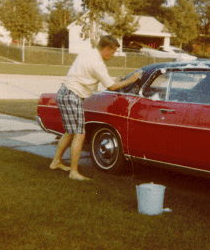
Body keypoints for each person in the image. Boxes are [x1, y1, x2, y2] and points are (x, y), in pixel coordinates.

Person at [49, 35, 143, 180]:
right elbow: (111, 86)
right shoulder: (97, 63)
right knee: (80, 134)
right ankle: (73, 172)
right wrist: (131, 79)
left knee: (70, 132)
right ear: (106, 49)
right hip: (72, 95)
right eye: (112, 52)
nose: (112, 56)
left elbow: (93, 77)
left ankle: (56, 162)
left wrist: (114, 81)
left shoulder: (88, 53)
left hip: (65, 92)